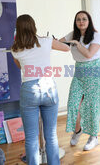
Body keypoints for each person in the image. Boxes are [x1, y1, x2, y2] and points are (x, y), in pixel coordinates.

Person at [11, 14, 70, 165]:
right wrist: (51, 40)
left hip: (29, 90)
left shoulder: (15, 49)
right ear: (34, 27)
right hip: (49, 87)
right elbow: (66, 48)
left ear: (17, 30)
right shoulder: (46, 41)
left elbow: (20, 66)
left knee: (31, 137)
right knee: (50, 135)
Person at [59, 11, 100, 151]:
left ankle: (93, 137)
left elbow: (89, 54)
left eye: (84, 19)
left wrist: (76, 44)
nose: (81, 22)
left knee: (92, 107)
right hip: (79, 73)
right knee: (73, 105)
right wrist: (46, 41)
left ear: (89, 21)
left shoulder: (96, 36)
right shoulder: (73, 34)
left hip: (94, 72)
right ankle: (78, 131)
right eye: (78, 19)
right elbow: (58, 43)